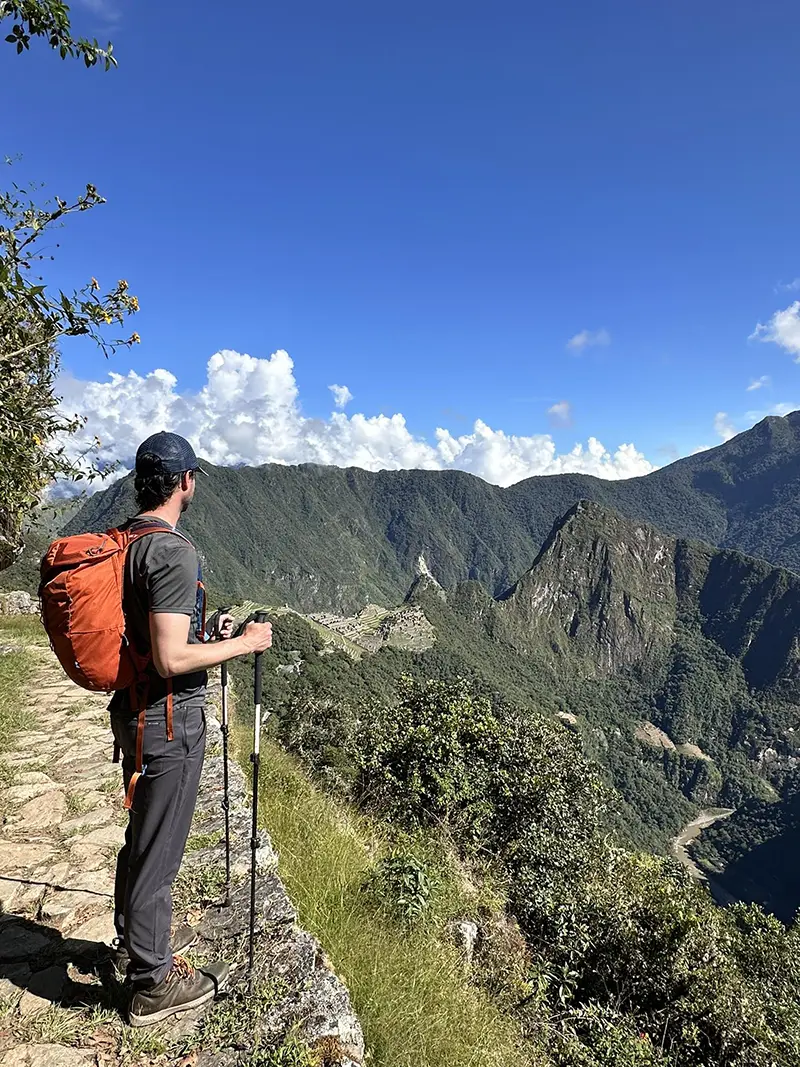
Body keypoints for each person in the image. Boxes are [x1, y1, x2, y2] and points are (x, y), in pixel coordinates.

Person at [108, 431, 272, 1027]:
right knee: (161, 846)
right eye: (194, 476)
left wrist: (212, 631)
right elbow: (172, 659)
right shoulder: (175, 552)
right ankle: (152, 980)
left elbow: (152, 638)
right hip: (168, 720)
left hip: (134, 710)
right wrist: (243, 643)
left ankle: (134, 939)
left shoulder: (128, 542)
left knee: (143, 832)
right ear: (184, 481)